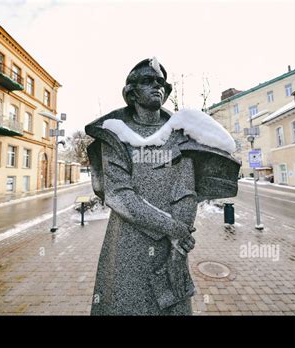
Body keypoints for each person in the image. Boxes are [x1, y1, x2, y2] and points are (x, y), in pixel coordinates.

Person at [85, 58, 240, 315]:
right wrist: (175, 229)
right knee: (124, 304)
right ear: (132, 93)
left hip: (172, 246)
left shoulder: (180, 133)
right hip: (127, 240)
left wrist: (179, 245)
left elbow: (187, 190)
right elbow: (119, 195)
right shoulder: (114, 133)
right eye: (148, 81)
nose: (157, 86)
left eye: (161, 83)